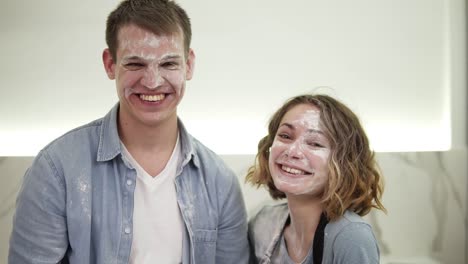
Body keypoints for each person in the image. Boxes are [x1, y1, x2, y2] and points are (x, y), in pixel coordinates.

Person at [8, 0, 249, 263]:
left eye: (169, 64)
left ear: (188, 65)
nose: (153, 81)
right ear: (110, 64)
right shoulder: (57, 170)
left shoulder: (220, 182)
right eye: (135, 64)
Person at [246, 94, 386, 264]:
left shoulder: (351, 237)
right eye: (285, 136)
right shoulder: (262, 223)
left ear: (343, 164)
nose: (292, 151)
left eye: (315, 143)